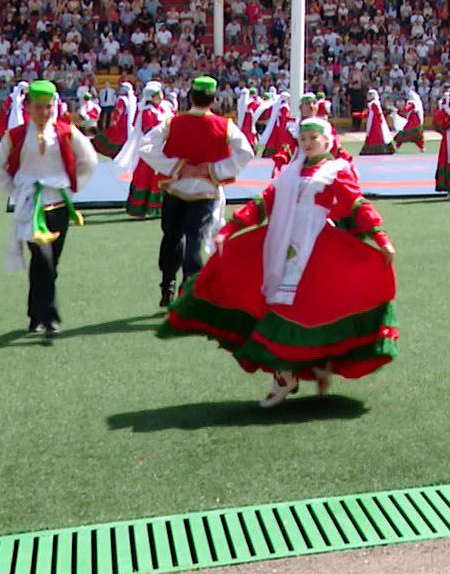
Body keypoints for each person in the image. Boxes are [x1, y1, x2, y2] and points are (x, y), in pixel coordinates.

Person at [161, 118, 399, 408]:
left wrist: (380, 237)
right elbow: (264, 202)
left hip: (315, 244)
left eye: (314, 137)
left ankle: (299, 371)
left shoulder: (336, 170)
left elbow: (357, 204)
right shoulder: (291, 171)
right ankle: (287, 374)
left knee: (307, 309)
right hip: (280, 241)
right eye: (304, 138)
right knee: (272, 305)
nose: (308, 143)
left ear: (328, 141)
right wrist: (230, 229)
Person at [0, 81, 97, 336]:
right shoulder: (16, 135)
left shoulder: (67, 132)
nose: (44, 113)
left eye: (48, 107)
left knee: (50, 263)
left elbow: (89, 160)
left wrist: (70, 185)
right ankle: (50, 317)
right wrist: (16, 190)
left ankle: (35, 314)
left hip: (58, 206)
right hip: (30, 206)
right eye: (38, 107)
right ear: (28, 107)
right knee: (43, 260)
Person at [138, 75, 256, 307]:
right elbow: (247, 152)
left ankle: (167, 286)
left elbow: (146, 147)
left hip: (175, 187)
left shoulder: (173, 122)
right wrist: (213, 170)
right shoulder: (225, 126)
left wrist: (177, 167)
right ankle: (189, 288)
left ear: (190, 96)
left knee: (172, 236)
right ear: (213, 99)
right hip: (205, 191)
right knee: (195, 237)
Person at [118, 82, 170, 218]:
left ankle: (161, 207)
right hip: (151, 149)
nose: (161, 96)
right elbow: (148, 130)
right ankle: (141, 207)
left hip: (164, 148)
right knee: (145, 176)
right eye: (158, 94)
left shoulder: (164, 108)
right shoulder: (147, 112)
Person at [359, 87, 396, 156]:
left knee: (375, 136)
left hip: (375, 123)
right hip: (375, 122)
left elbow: (377, 113)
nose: (367, 96)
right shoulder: (372, 104)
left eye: (369, 95)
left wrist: (379, 120)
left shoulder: (374, 103)